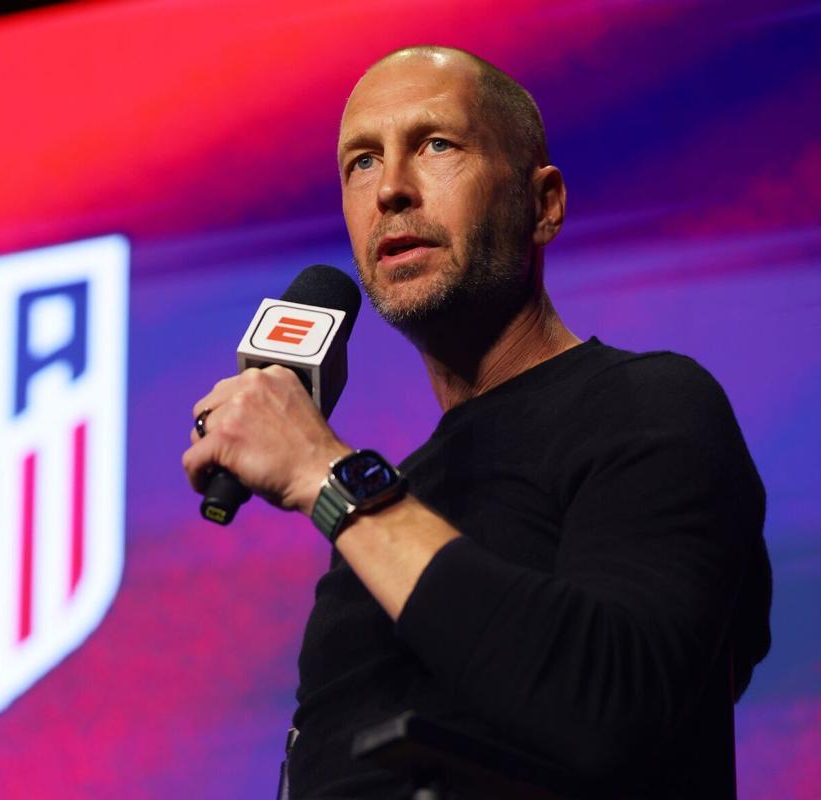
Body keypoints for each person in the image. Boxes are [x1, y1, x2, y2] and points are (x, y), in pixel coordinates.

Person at [181, 46, 771, 799]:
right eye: (362, 161)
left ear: (543, 204)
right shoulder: (393, 507)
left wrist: (324, 474)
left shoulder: (652, 404)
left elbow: (610, 706)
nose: (390, 189)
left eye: (436, 145)